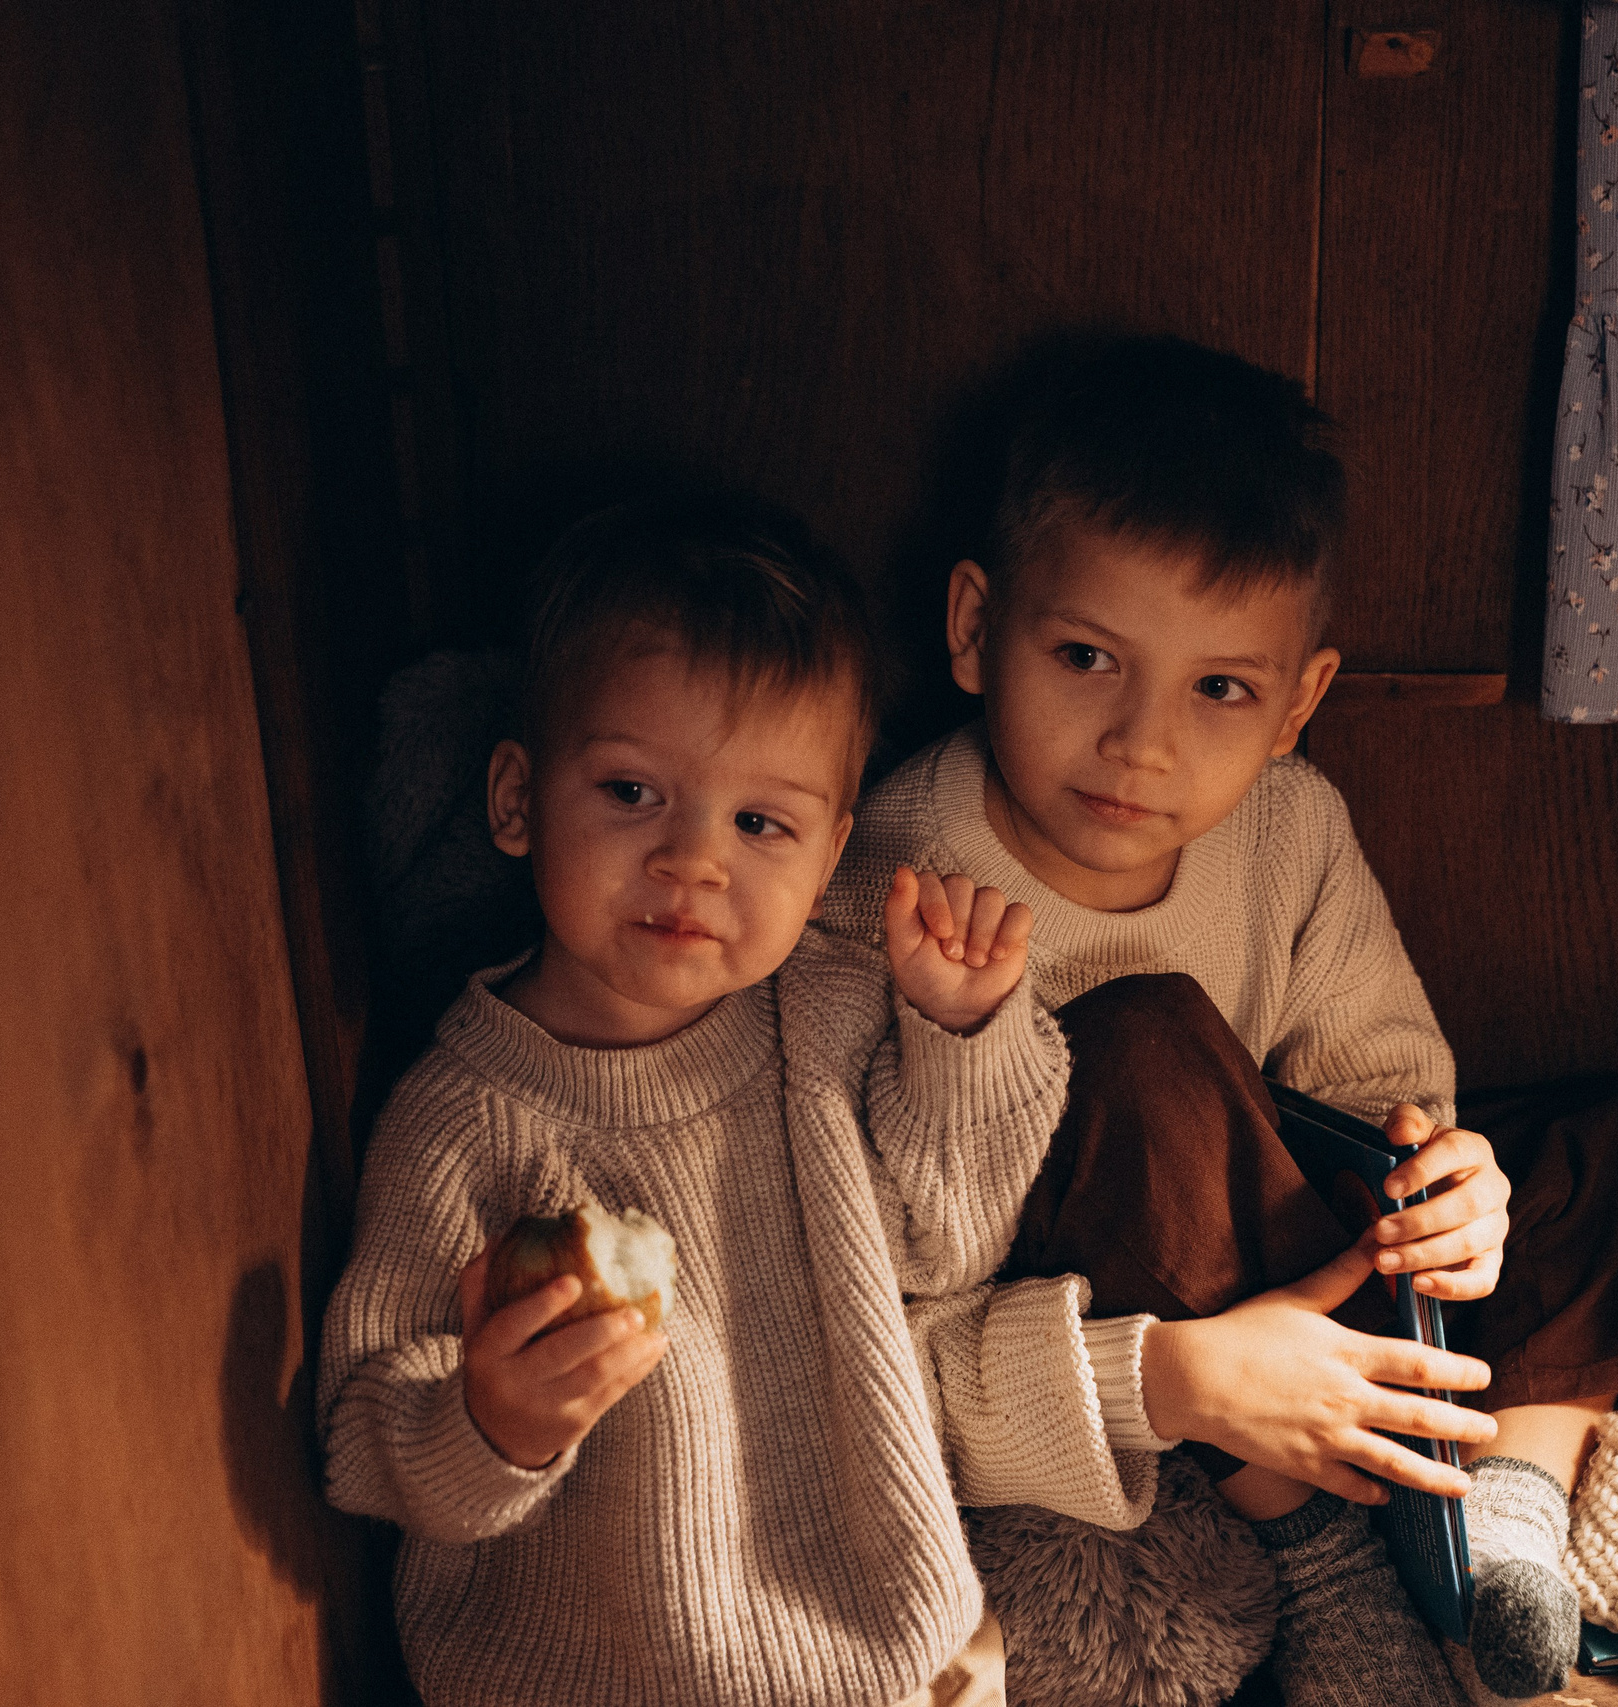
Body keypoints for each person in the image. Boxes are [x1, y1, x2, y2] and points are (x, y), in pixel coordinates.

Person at [821, 336, 1618, 1702]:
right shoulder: (888, 871)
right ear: (974, 627)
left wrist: (1444, 1183)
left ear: (1298, 701)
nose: (1143, 740)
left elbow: (1378, 1078)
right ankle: (1324, 1556)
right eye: (1085, 655)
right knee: (1144, 1036)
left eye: (1220, 689)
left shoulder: (1289, 823)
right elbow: (876, 1319)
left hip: (1301, 1256)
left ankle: (1513, 1499)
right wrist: (1179, 1379)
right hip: (1120, 1328)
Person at [317, 491, 1095, 1706]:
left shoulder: (828, 1016)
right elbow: (361, 1433)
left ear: (830, 855)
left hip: (895, 1649)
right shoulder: (460, 1116)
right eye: (632, 793)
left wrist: (954, 1035)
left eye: (759, 822)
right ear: (517, 801)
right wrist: (490, 1422)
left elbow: (945, 1244)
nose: (694, 861)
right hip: (596, 1675)